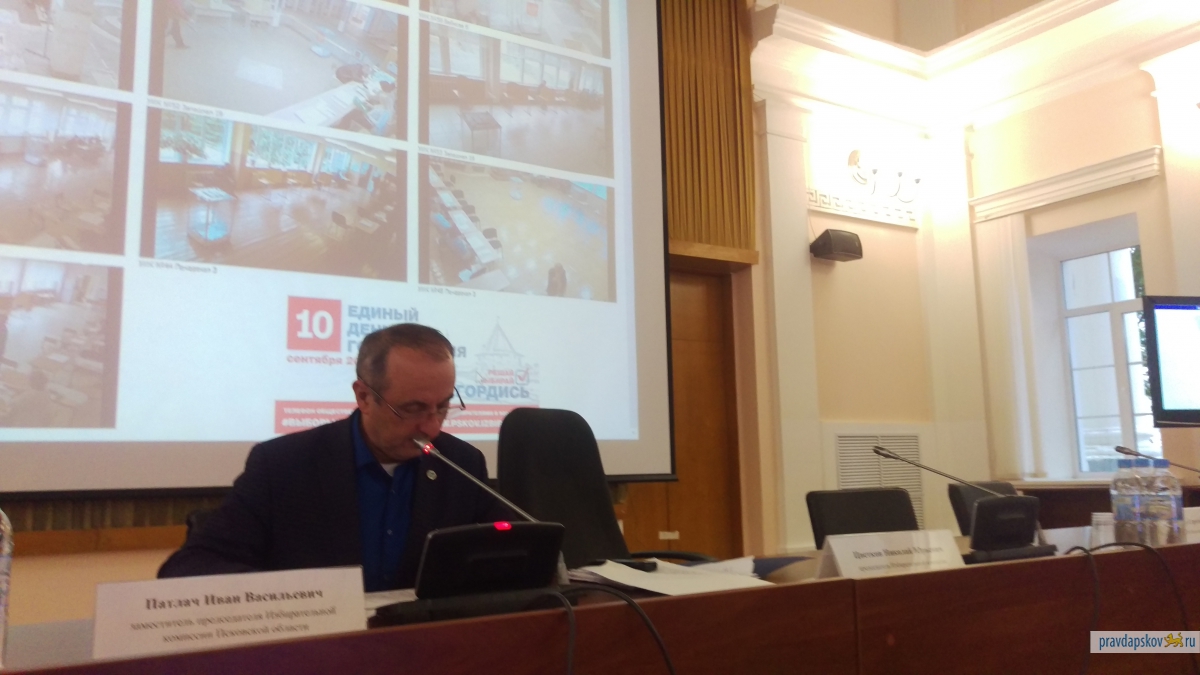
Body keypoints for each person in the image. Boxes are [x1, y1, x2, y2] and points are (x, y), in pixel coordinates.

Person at [158, 324, 512, 591]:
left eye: (443, 406)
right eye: (412, 409)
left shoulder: (461, 463)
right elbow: (190, 567)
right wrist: (293, 597)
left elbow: (509, 554)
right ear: (364, 397)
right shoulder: (283, 465)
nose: (432, 427)